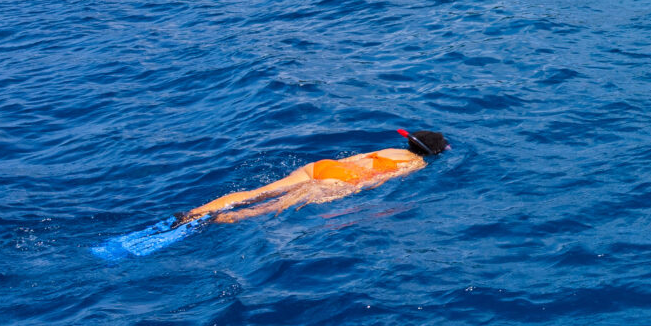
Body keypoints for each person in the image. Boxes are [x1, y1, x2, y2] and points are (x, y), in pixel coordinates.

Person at [175, 130, 448, 226]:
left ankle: (195, 212)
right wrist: (353, 192)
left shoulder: (390, 149)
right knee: (272, 206)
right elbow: (377, 180)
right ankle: (219, 219)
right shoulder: (417, 165)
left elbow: (350, 159)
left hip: (322, 166)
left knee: (257, 192)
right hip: (345, 180)